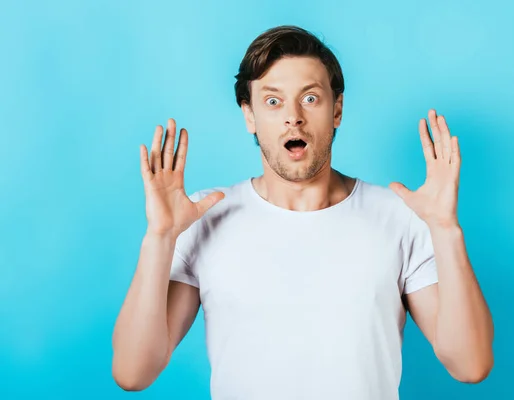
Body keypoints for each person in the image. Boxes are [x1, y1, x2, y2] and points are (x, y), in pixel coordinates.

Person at [111, 25, 494, 399]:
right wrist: (160, 237)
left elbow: (470, 364)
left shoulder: (400, 218)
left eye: (310, 98)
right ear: (250, 116)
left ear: (337, 109)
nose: (293, 116)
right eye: (273, 101)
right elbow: (133, 372)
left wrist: (445, 229)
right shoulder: (203, 217)